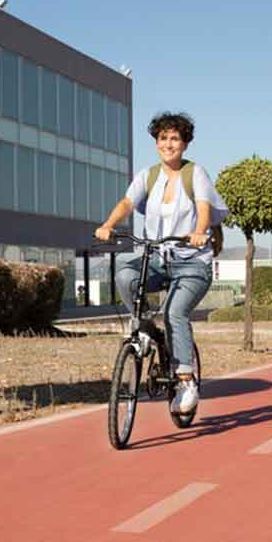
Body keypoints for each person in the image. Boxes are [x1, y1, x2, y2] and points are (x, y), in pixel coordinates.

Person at [95, 111, 228, 415]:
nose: (169, 144)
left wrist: (198, 231)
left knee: (174, 312)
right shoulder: (148, 176)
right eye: (163, 138)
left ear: (185, 144)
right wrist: (108, 224)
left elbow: (204, 207)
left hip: (192, 263)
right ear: (156, 142)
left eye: (175, 139)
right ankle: (143, 326)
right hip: (157, 258)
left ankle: (185, 381)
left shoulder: (196, 174)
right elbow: (128, 202)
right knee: (126, 274)